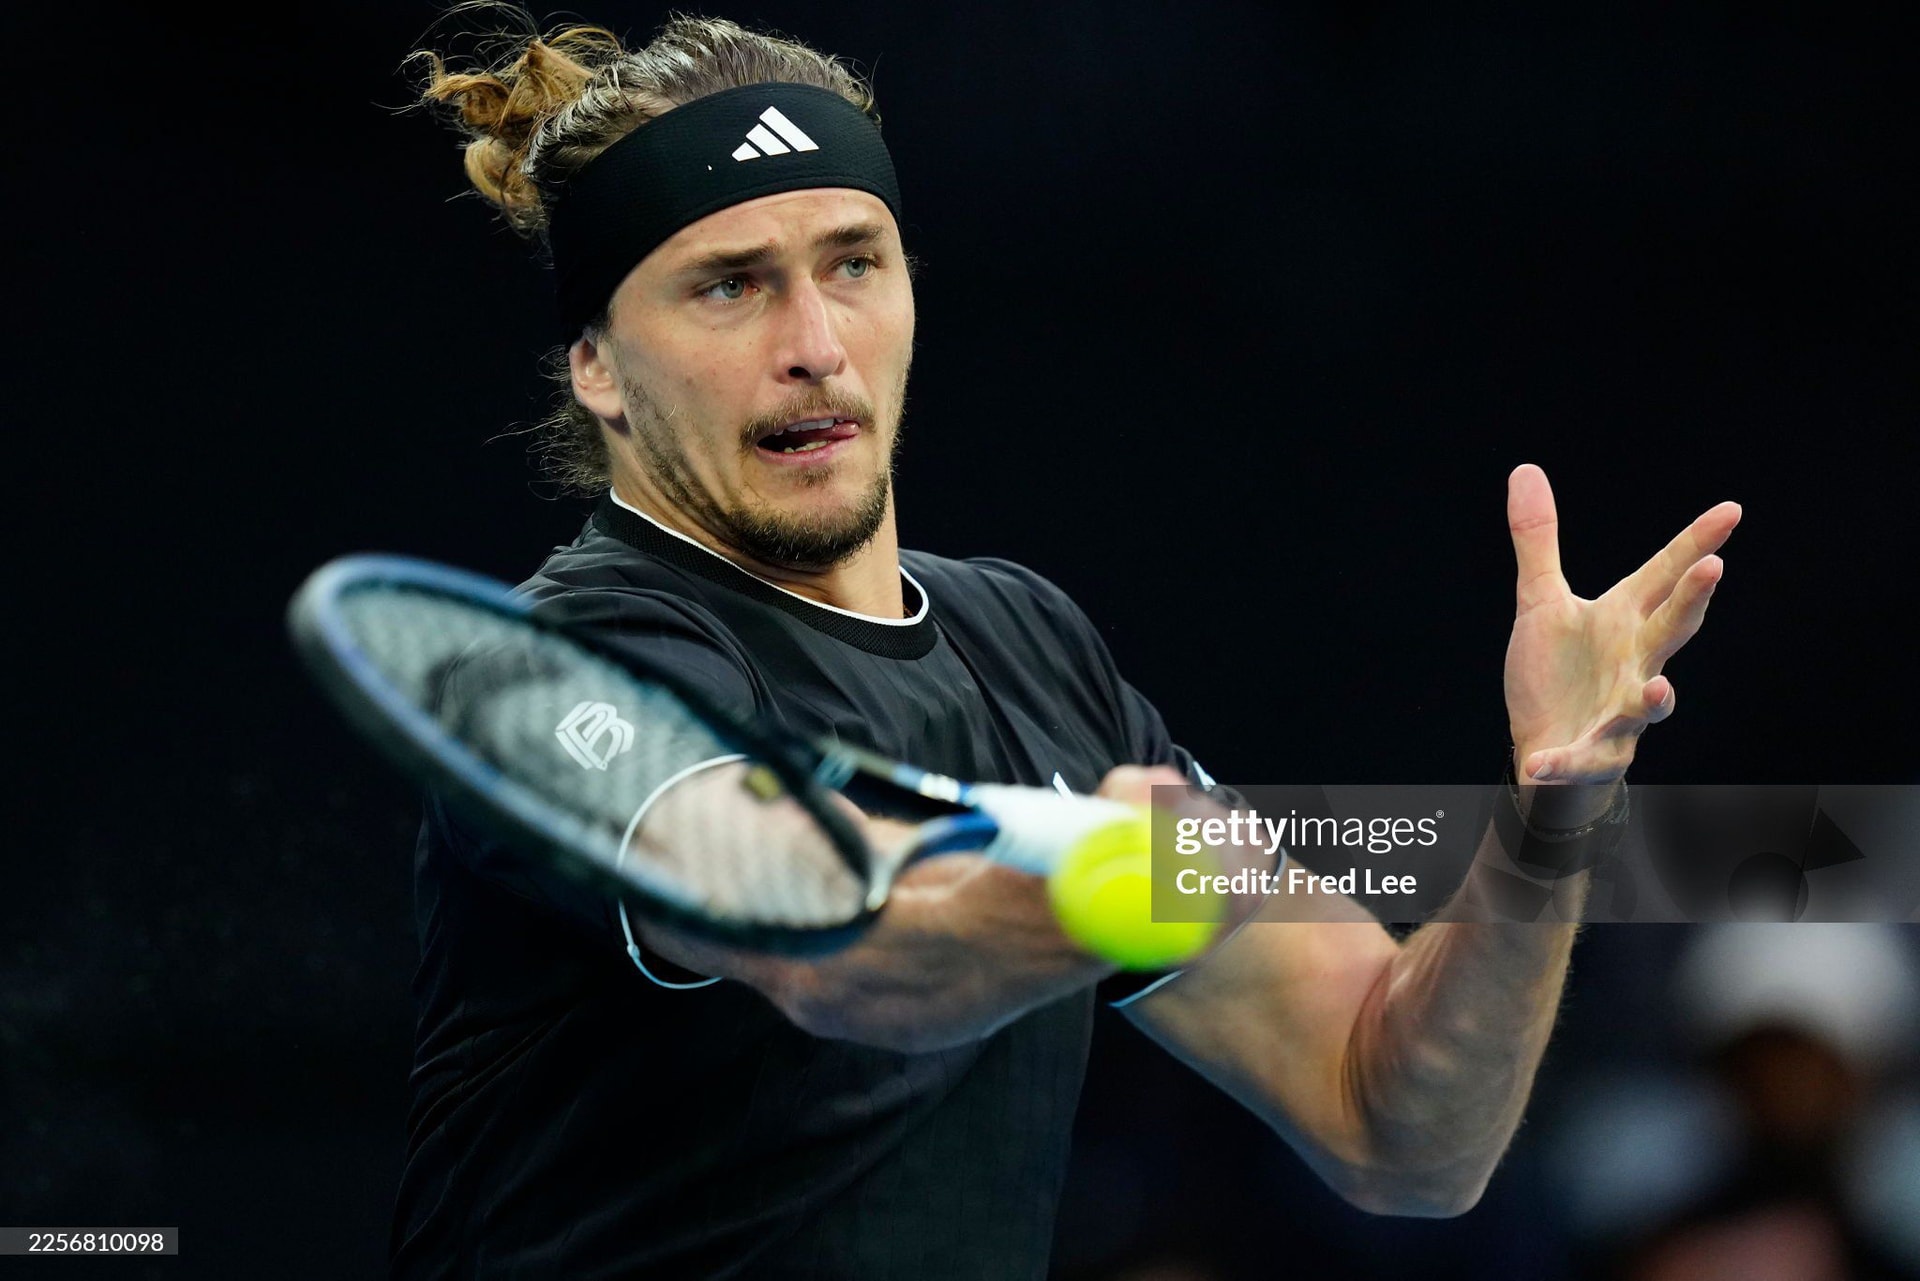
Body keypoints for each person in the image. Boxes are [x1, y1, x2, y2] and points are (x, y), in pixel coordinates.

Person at [391, 10, 1741, 1277]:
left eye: (852, 262)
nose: (815, 345)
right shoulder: (566, 670)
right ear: (599, 365)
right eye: (730, 286)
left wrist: (1546, 824)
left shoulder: (1030, 648)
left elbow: (1402, 1125)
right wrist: (1086, 885)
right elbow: (837, 944)